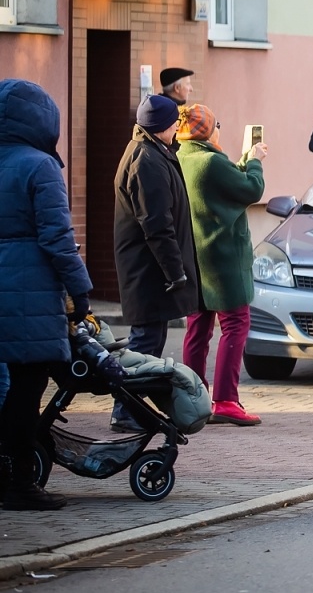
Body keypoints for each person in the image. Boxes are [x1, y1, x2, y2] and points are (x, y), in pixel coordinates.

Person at [0, 80, 94, 511]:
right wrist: (81, 290)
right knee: (27, 386)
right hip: (29, 293)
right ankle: (19, 482)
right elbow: (58, 238)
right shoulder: (39, 168)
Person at [111, 93, 200, 430]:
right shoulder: (146, 160)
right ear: (159, 127)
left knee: (149, 342)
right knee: (144, 344)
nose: (178, 127)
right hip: (150, 272)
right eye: (173, 123)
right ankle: (124, 410)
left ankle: (131, 408)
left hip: (151, 271)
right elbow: (157, 224)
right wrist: (174, 272)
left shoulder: (153, 151)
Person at [175, 105, 267, 426]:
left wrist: (241, 163)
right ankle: (226, 400)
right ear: (208, 130)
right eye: (218, 125)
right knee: (235, 324)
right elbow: (251, 189)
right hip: (222, 258)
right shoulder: (211, 161)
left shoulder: (182, 156)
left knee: (197, 328)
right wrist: (254, 160)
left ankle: (193, 397)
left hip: (193, 256)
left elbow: (222, 185)